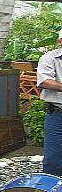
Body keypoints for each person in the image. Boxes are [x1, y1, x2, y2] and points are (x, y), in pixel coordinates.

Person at [36, 28, 62, 177]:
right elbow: (45, 82)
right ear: (60, 42)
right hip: (57, 113)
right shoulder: (49, 58)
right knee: (54, 159)